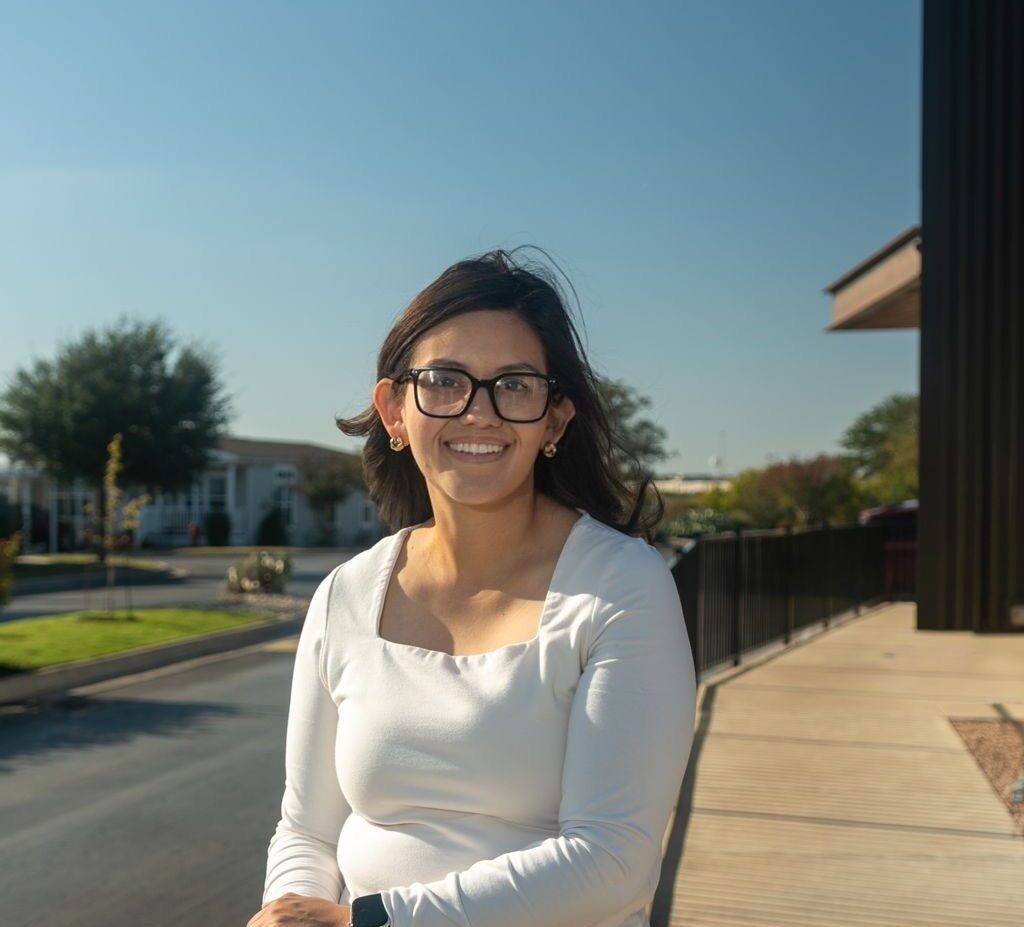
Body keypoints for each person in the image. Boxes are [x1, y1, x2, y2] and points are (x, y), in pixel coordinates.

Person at [253, 247, 697, 927]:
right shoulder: (346, 594)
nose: (478, 412)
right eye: (445, 380)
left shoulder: (621, 588)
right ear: (395, 410)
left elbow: (613, 859)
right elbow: (307, 830)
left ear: (554, 419)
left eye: (514, 384)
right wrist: (289, 913)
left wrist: (371, 922)